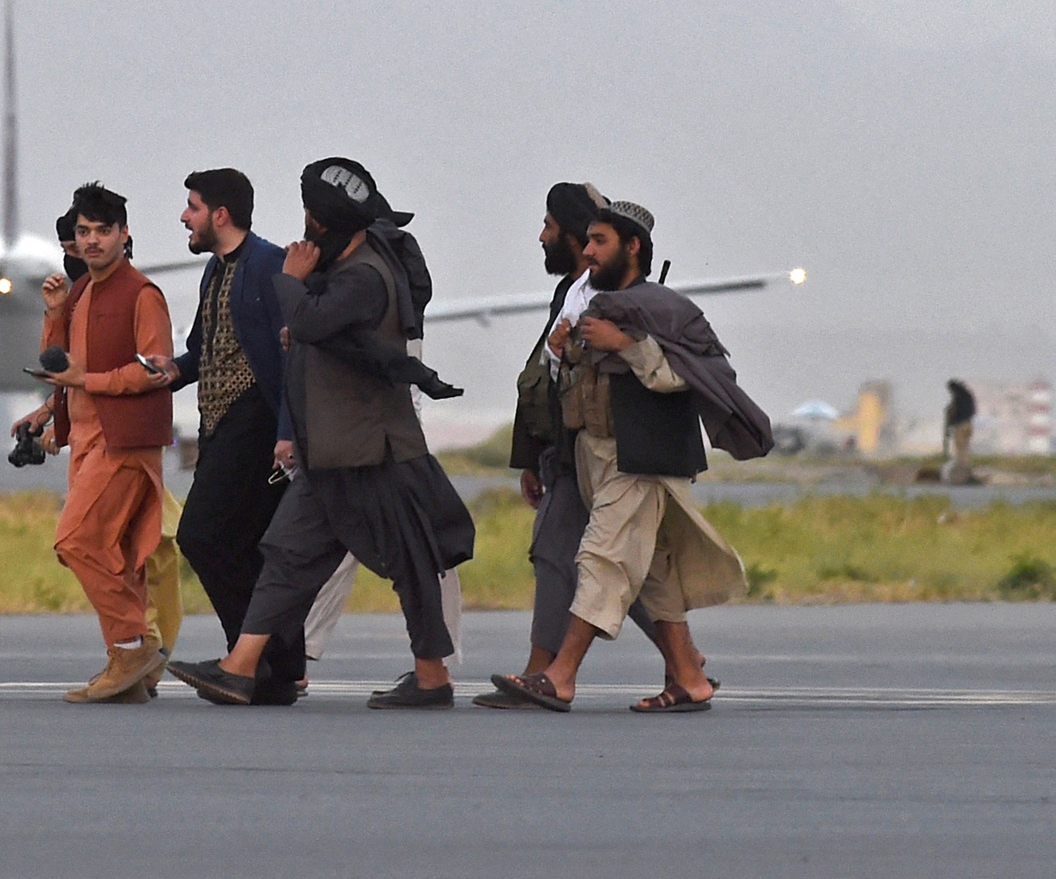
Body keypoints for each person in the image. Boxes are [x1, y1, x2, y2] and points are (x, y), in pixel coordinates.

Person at [168, 158, 474, 709]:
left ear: (323, 222)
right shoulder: (341, 271)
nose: (304, 227)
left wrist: (289, 283)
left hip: (370, 450)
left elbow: (311, 322)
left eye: (310, 216)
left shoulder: (366, 275)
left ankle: (432, 677)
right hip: (329, 449)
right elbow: (315, 332)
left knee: (409, 562)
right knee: (285, 555)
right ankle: (241, 666)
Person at [496, 200, 769, 714]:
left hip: (637, 460)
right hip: (592, 457)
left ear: (633, 247)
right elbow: (569, 386)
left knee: (601, 559)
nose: (590, 251)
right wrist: (564, 352)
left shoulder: (666, 310)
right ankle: (690, 679)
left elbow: (685, 377)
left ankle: (559, 677)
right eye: (589, 240)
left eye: (600, 242)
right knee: (652, 574)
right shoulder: (590, 305)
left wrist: (626, 343)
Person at [473, 182, 678, 710]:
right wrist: (533, 456)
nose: (544, 237)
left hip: (616, 454)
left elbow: (677, 371)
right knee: (628, 566)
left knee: (576, 557)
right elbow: (547, 378)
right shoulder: (574, 294)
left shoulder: (632, 303)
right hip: (574, 454)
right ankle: (688, 667)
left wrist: (622, 345)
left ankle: (549, 674)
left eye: (551, 227)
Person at [14, 207, 183, 689]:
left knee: (77, 540)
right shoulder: (83, 290)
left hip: (124, 439)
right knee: (121, 553)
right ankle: (133, 667)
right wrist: (50, 407)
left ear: (124, 234)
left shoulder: (142, 294)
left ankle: (133, 648)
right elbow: (64, 364)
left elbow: (156, 370)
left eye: (102, 231)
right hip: (87, 438)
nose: (90, 242)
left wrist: (85, 381)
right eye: (83, 233)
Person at [153, 168, 298, 704]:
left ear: (220, 214)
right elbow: (207, 348)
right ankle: (277, 668)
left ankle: (250, 659)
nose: (184, 217)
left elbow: (290, 358)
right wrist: (171, 372)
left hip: (255, 422)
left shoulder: (268, 264)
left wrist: (288, 430)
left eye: (191, 207)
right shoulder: (215, 270)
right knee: (251, 546)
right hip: (218, 423)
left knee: (202, 536)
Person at [943, 379, 978, 485]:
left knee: (960, 450)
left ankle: (962, 473)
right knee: (965, 449)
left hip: (960, 425)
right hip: (969, 425)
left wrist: (950, 422)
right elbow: (973, 411)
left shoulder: (958, 398)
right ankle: (966, 469)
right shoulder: (969, 396)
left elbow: (952, 412)